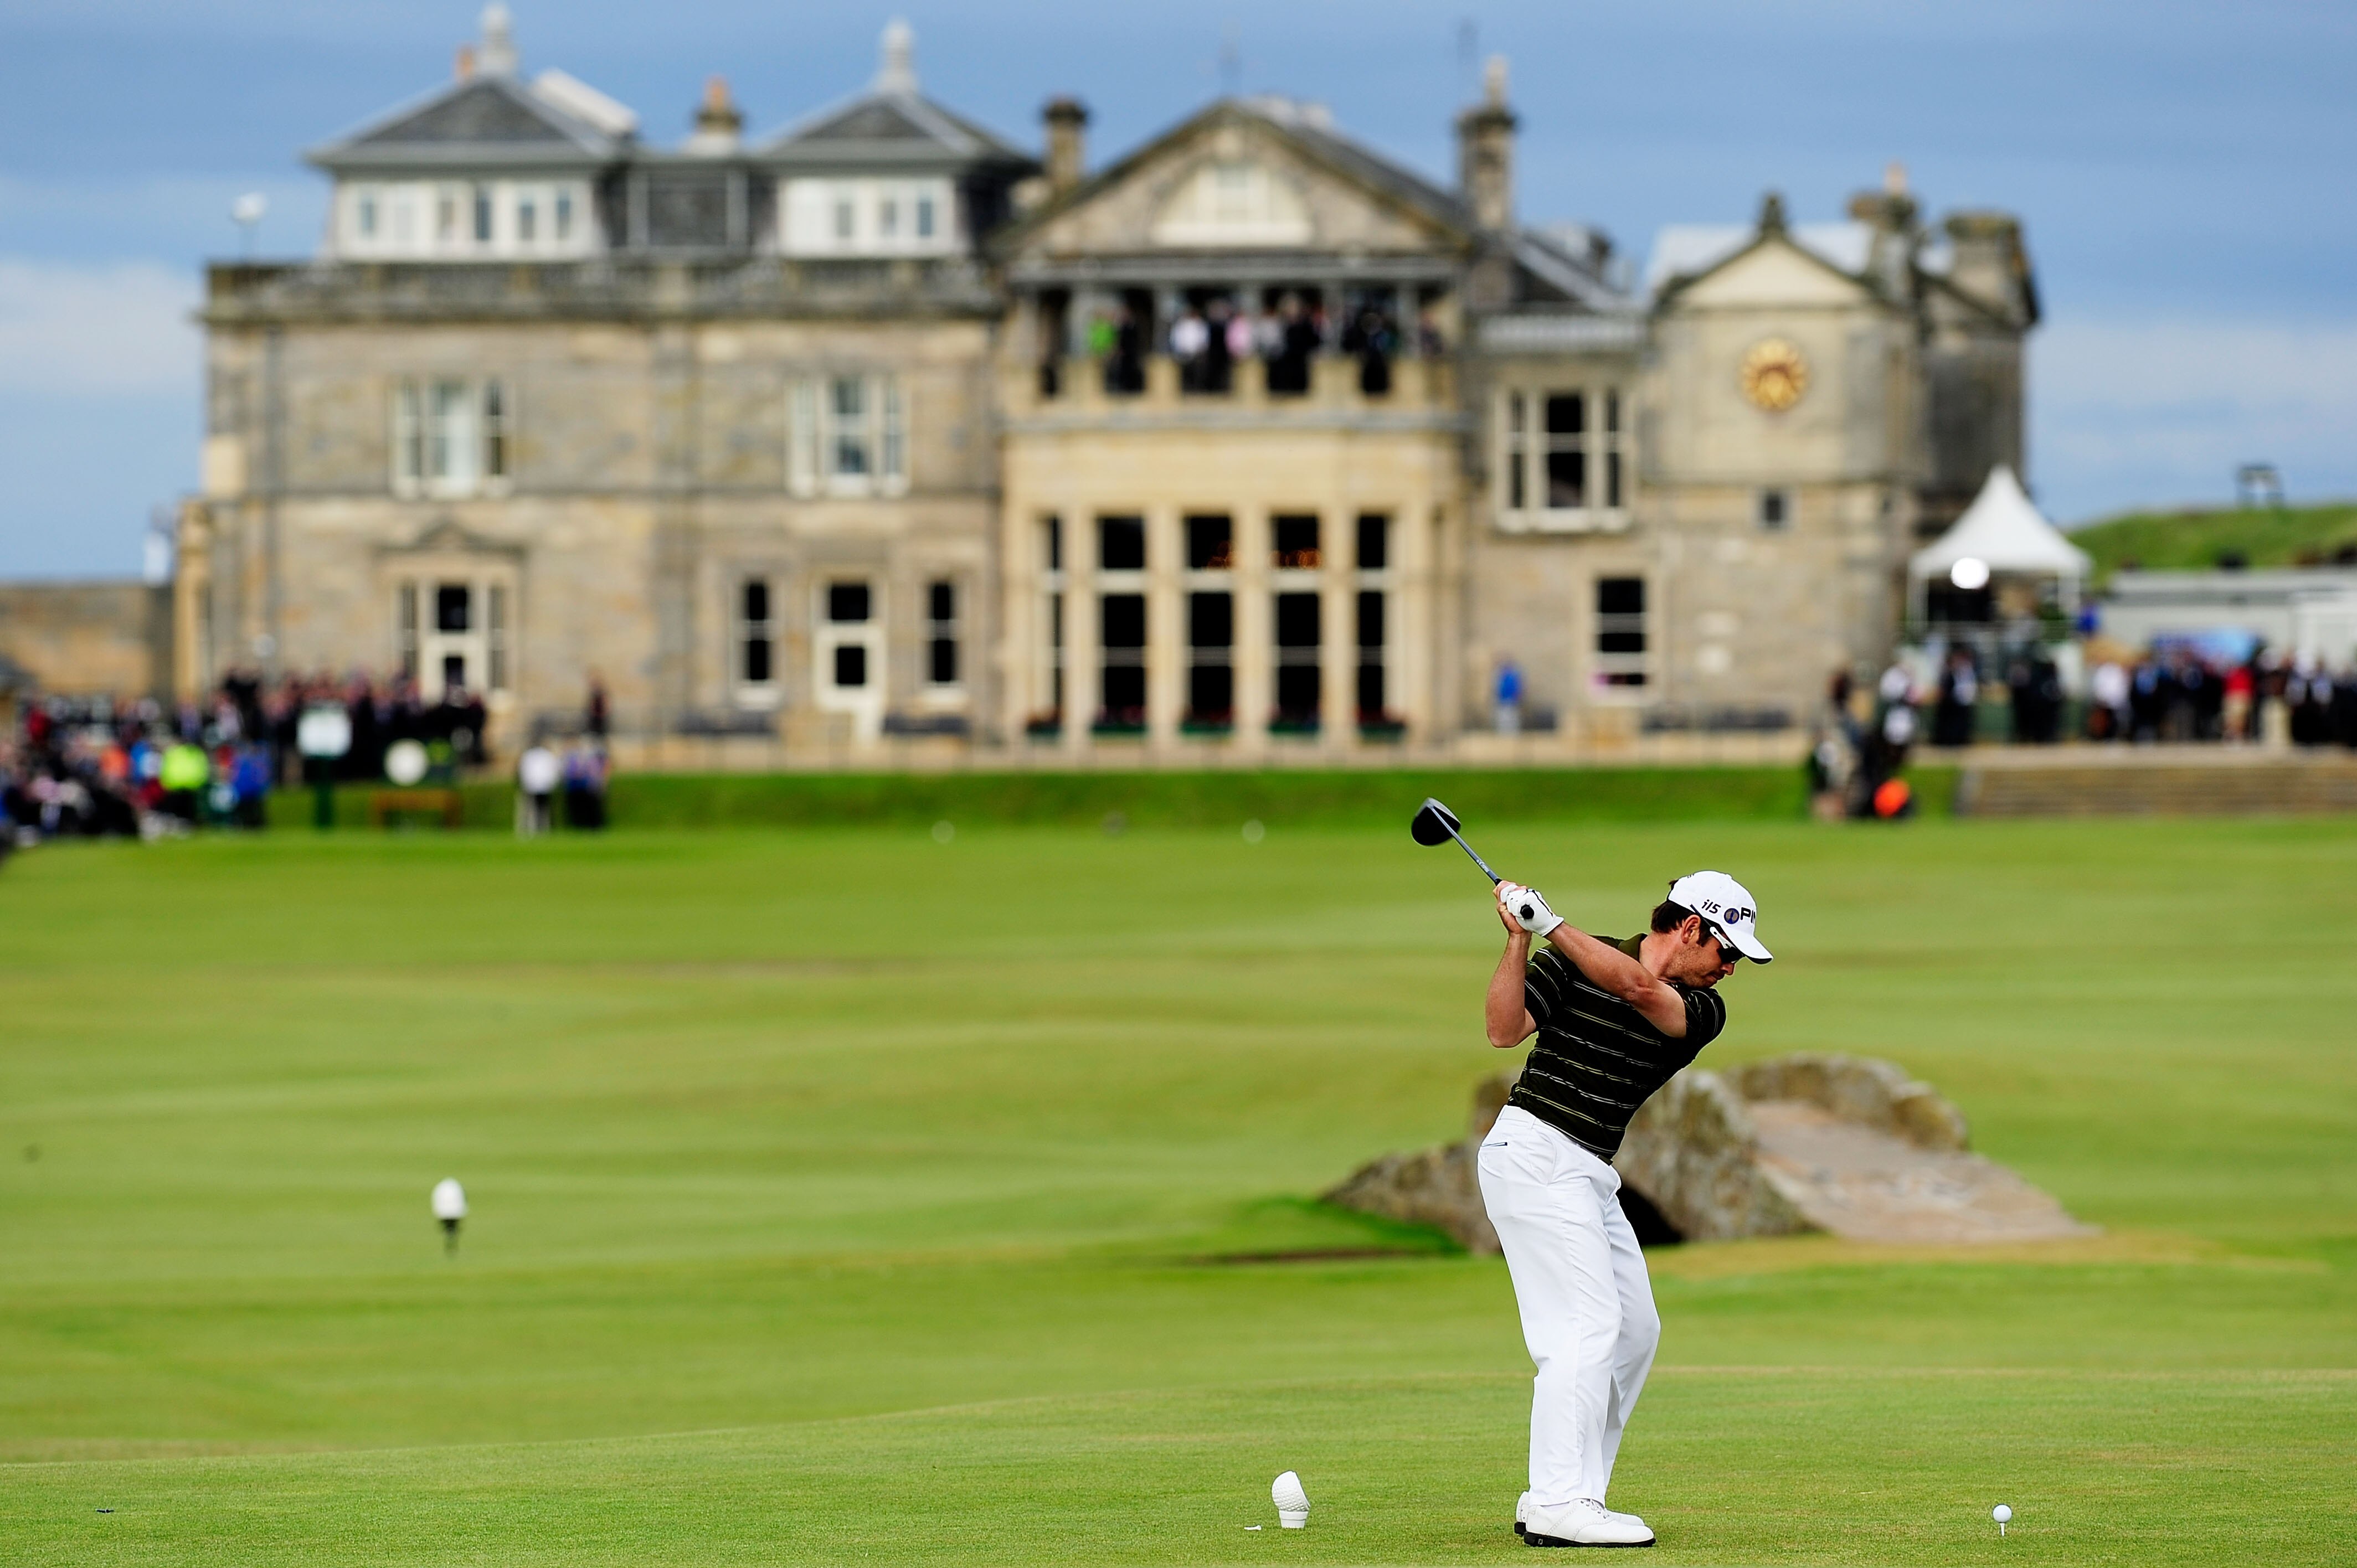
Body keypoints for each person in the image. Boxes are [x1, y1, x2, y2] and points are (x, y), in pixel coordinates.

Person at [1478, 871, 1769, 1549]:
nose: (1730, 969)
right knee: (1584, 1326)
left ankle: (1572, 1490)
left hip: (1584, 1172)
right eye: (1726, 951)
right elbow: (1501, 1030)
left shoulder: (1700, 1009)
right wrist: (1520, 940)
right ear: (1690, 927)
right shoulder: (1574, 959)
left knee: (1633, 1331)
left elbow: (1638, 989)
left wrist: (1552, 926)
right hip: (1533, 1151)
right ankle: (1558, 1501)